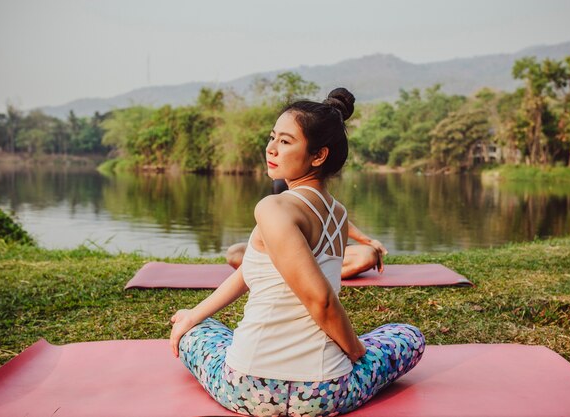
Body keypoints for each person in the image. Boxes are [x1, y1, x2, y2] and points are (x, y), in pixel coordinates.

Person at [169, 88, 425, 417]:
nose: (271, 148)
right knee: (407, 335)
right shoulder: (338, 214)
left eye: (286, 141)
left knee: (199, 333)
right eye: (272, 137)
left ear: (318, 155)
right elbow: (250, 270)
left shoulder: (273, 208)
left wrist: (356, 349)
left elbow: (322, 302)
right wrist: (357, 357)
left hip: (249, 388)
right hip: (327, 394)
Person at [226, 183, 389, 279]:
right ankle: (297, 275)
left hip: (320, 254)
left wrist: (369, 241)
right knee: (234, 253)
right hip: (283, 256)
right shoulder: (276, 195)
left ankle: (306, 276)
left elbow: (337, 217)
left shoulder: (313, 188)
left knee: (367, 256)